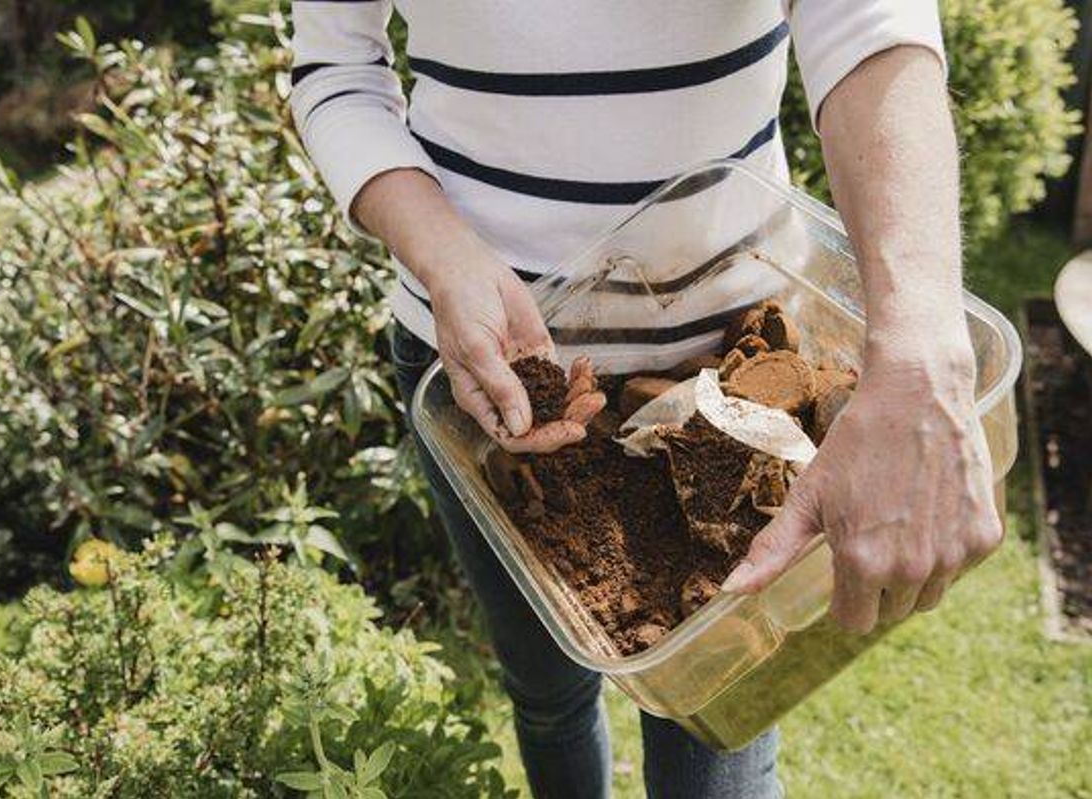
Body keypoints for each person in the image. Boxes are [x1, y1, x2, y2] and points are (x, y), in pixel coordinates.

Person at [290, 2, 1003, 797]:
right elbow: (336, 68)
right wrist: (445, 256)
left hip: (738, 376)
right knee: (549, 693)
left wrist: (919, 360)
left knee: (717, 740)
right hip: (488, 376)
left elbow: (870, 22)